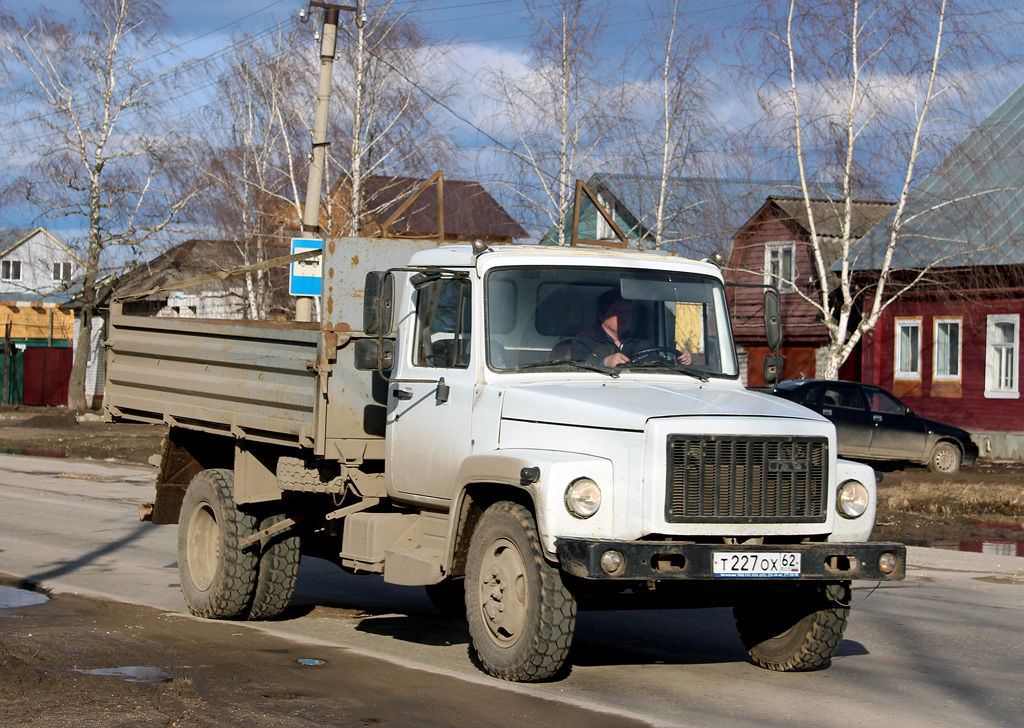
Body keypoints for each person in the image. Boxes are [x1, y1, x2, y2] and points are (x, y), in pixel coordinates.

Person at [571, 289, 692, 367]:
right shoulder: (584, 340)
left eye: (627, 312)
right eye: (617, 312)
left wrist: (681, 360)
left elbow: (658, 364)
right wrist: (604, 363)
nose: (623, 317)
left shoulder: (641, 341)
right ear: (601, 315)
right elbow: (576, 371)